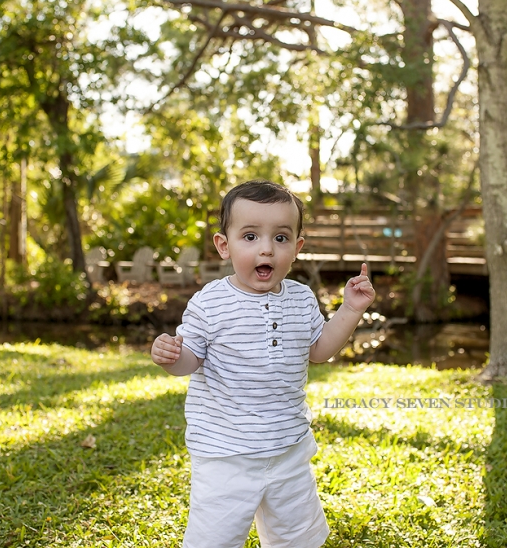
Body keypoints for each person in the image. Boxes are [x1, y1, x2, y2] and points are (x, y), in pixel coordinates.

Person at [151, 179, 376, 548]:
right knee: (215, 539)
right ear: (225, 245)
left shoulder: (301, 299)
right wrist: (172, 356)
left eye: (281, 238)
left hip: (288, 448)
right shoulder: (210, 302)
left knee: (297, 538)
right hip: (226, 453)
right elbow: (190, 360)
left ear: (297, 248)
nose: (267, 249)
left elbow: (319, 351)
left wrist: (350, 309)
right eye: (251, 236)